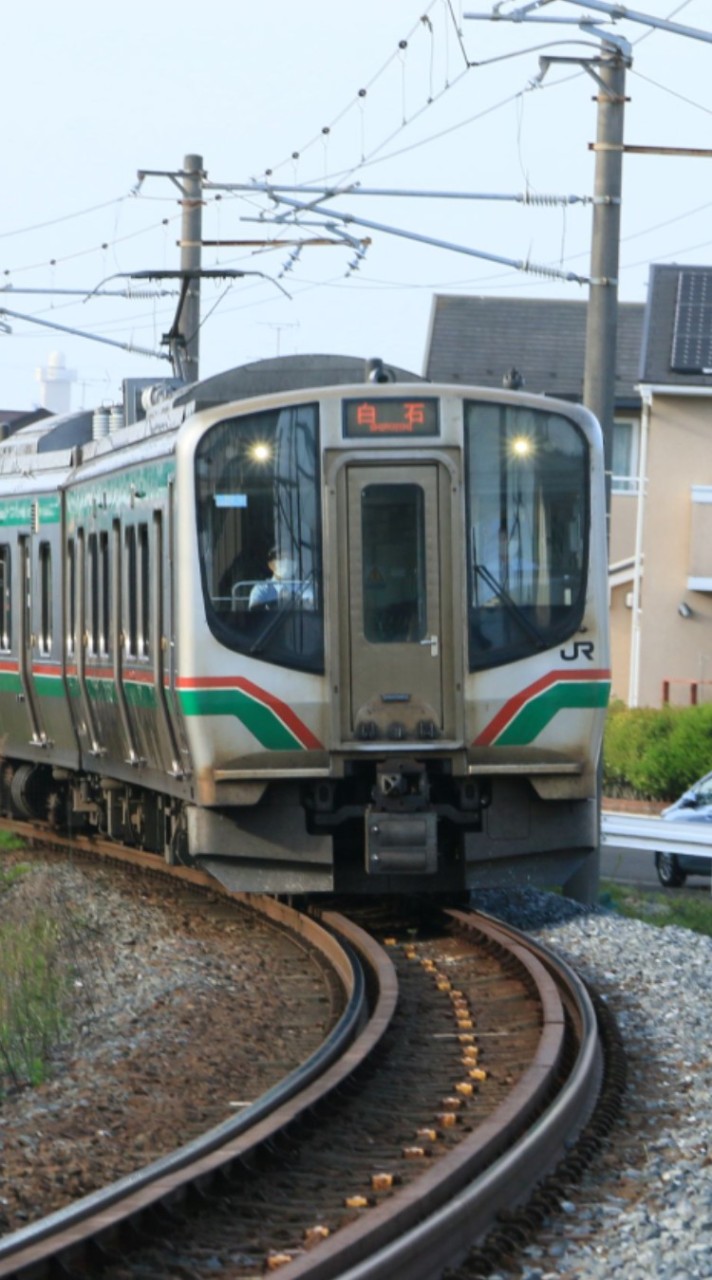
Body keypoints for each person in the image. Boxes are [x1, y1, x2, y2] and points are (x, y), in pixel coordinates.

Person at [248, 547, 314, 610]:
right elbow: (255, 611)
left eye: (290, 559)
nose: (287, 562)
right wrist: (277, 602)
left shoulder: (304, 586)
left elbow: (311, 608)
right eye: (282, 559)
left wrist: (294, 601)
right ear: (271, 565)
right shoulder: (261, 589)